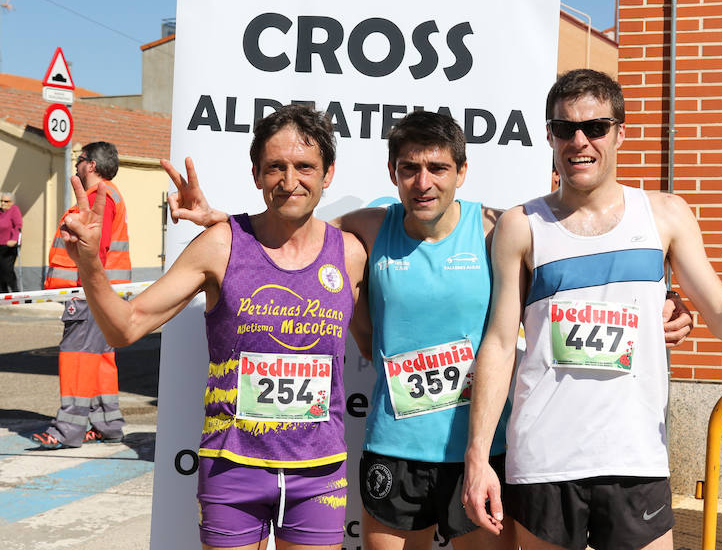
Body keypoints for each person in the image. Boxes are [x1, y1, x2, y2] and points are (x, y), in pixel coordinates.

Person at [163, 109, 694, 550]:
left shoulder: (494, 228)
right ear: (393, 173)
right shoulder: (371, 226)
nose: (424, 181)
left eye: (438, 167)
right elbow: (291, 232)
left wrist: (663, 304)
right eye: (410, 168)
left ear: (461, 171)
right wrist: (222, 220)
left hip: (479, 453)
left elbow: (575, 272)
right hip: (396, 449)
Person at [462, 69, 722, 550]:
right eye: (564, 128)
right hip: (544, 460)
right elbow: (501, 343)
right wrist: (478, 455)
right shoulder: (520, 225)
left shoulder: (664, 214)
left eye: (595, 127)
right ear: (548, 135)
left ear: (619, 133)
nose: (579, 141)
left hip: (636, 459)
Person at [58, 105, 367, 550]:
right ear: (256, 174)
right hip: (233, 467)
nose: (289, 180)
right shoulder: (220, 245)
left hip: (319, 471)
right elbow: (125, 327)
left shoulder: (351, 253)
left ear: (328, 173)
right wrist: (89, 263)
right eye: (275, 167)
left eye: (304, 167)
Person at [31, 142, 131, 449]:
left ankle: (66, 430)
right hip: (103, 294)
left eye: (80, 159)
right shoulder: (109, 195)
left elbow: (94, 250)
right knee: (99, 359)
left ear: (92, 166)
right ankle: (108, 424)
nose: (76, 164)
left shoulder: (97, 199)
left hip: (88, 293)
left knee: (77, 357)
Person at [0, 191, 22, 293]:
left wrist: (14, 239)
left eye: (6, 201)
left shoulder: (14, 210)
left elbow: (18, 226)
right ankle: (3, 294)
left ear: (12, 202)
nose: (3, 203)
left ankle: (15, 291)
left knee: (7, 269)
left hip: (9, 246)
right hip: (0, 245)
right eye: (1, 201)